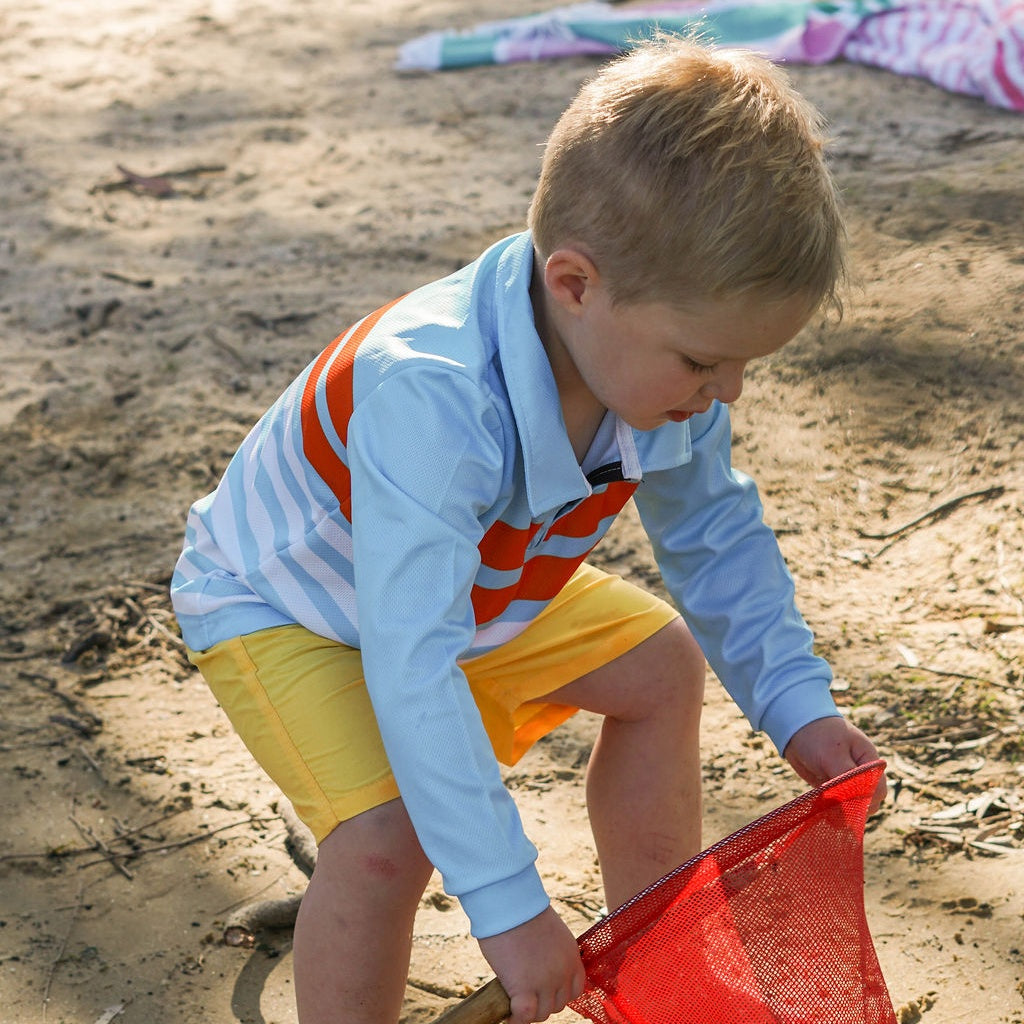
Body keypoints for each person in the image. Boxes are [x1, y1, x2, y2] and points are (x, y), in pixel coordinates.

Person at [171, 34, 885, 1024]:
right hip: (295, 604)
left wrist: (795, 703)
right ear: (575, 284)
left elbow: (716, 538)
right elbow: (409, 655)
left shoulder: (658, 380)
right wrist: (509, 907)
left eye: (740, 365)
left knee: (657, 667)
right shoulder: (432, 395)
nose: (725, 392)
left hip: (462, 591)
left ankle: (657, 956)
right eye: (700, 360)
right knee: (387, 842)